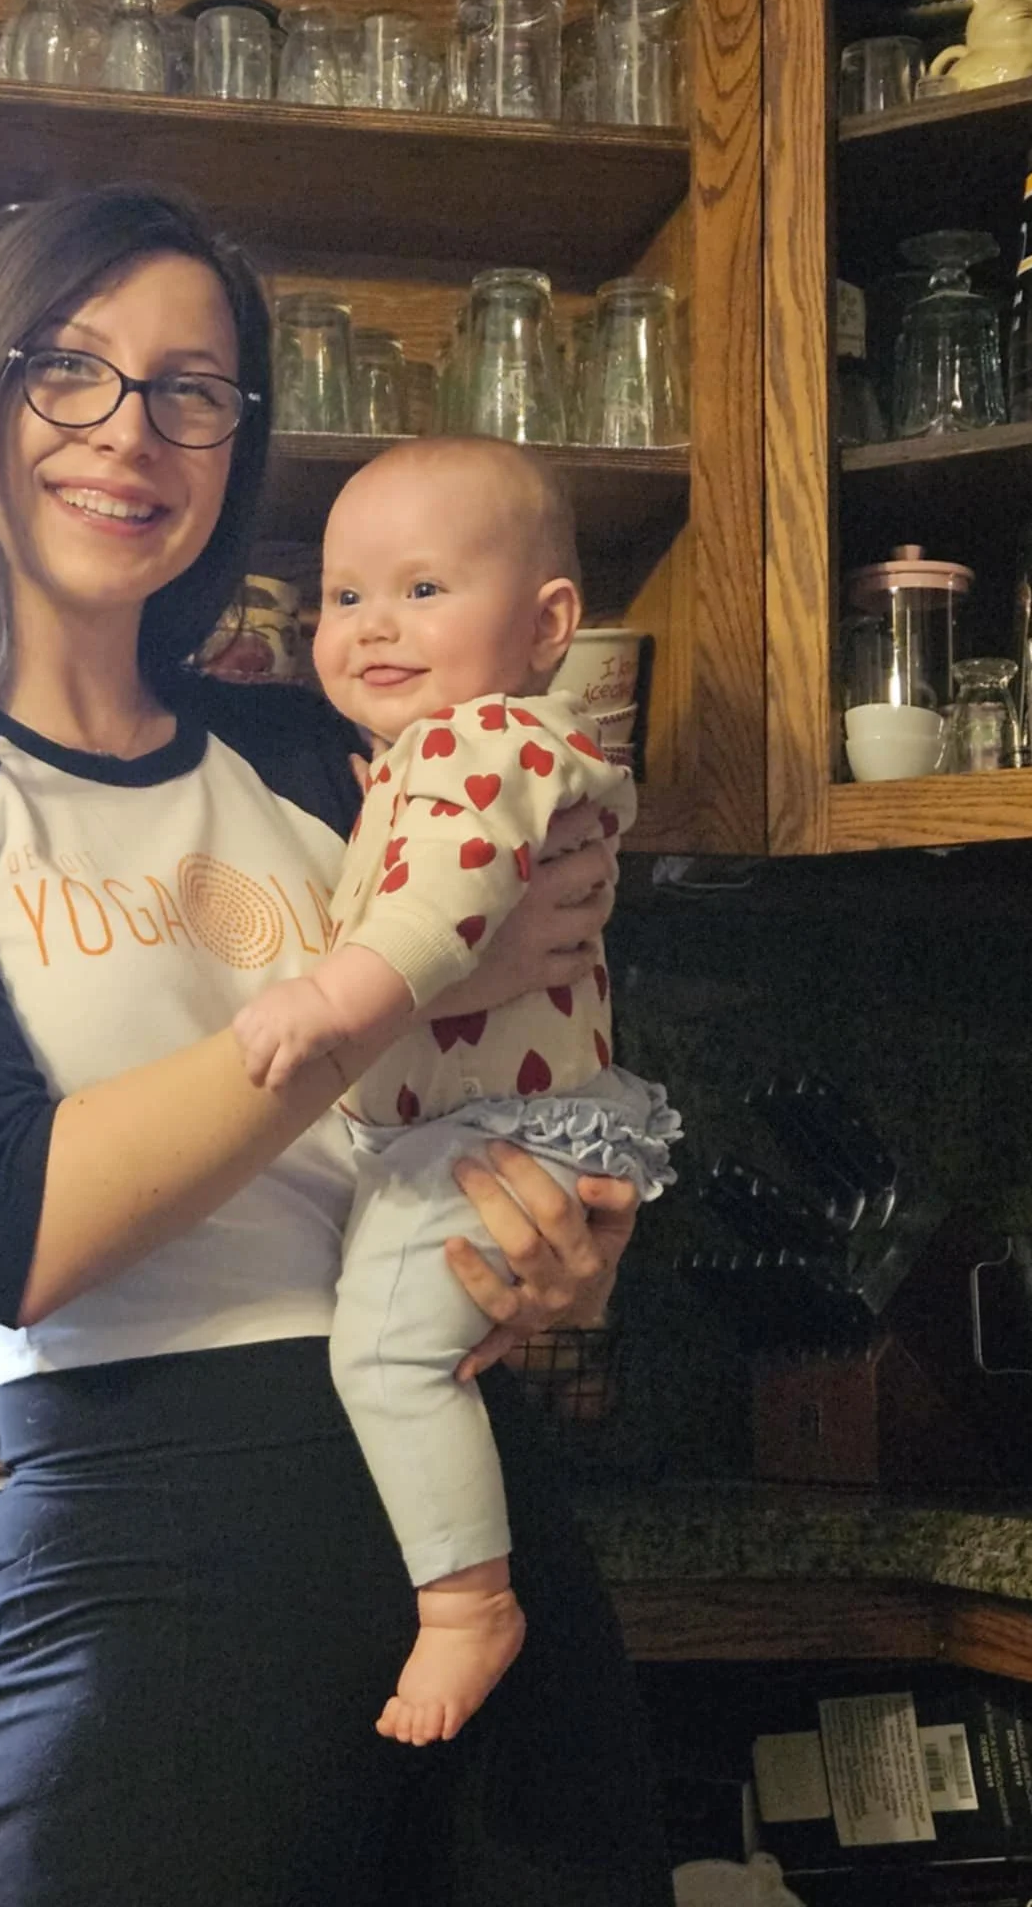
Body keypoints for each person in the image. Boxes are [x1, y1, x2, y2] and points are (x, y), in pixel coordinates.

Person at [0, 184, 676, 1907]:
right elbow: (11, 1231)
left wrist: (568, 1248)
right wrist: (363, 1004)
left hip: (479, 1522)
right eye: (69, 372)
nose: (131, 433)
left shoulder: (323, 743)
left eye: (193, 389)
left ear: (237, 443)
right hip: (161, 1560)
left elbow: (526, 1027)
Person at [233, 438, 680, 1750]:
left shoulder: (478, 745)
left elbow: (440, 912)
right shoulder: (439, 753)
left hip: (491, 1134)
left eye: (425, 590)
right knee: (411, 1347)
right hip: (498, 1129)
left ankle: (470, 1606)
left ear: (549, 626)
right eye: (347, 595)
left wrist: (330, 1005)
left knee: (384, 1357)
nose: (374, 626)